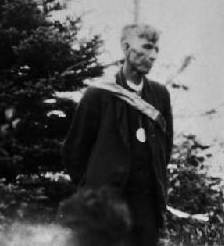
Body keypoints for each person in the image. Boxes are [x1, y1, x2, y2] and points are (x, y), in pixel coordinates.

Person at [62, 24, 173, 246]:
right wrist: (94, 192)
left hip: (146, 205)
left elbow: (165, 148)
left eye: (156, 49)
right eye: (147, 47)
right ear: (125, 47)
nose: (152, 56)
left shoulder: (160, 95)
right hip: (108, 208)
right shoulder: (98, 95)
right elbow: (75, 150)